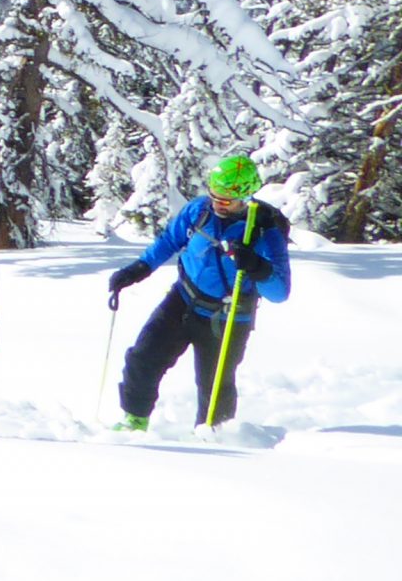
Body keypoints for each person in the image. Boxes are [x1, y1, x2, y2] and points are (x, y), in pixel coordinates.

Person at [108, 152, 291, 431]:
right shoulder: (199, 211)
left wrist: (256, 266)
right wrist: (138, 269)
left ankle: (213, 435)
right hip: (183, 300)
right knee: (143, 357)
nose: (217, 203)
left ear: (245, 196)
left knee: (214, 384)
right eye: (214, 194)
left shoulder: (266, 231)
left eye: (225, 199)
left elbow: (279, 292)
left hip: (229, 316)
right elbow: (170, 240)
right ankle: (134, 420)